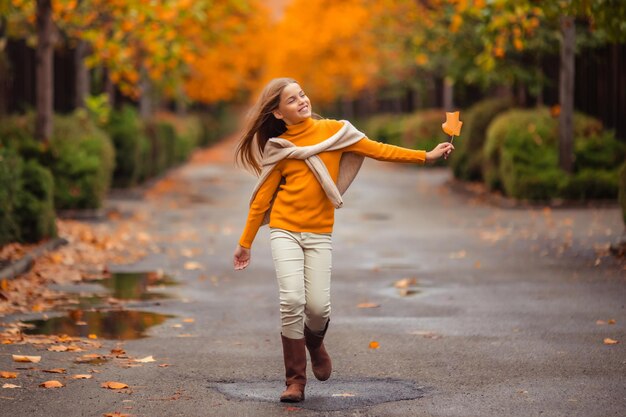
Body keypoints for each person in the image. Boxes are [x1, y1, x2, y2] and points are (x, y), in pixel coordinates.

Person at [233, 77, 454, 403]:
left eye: (302, 94)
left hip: (320, 232)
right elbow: (261, 201)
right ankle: (295, 381)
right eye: (292, 100)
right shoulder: (279, 148)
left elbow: (379, 149)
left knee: (319, 308)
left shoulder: (336, 132)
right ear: (278, 114)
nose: (302, 101)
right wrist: (245, 243)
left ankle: (315, 341)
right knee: (292, 301)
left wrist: (426, 155)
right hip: (284, 229)